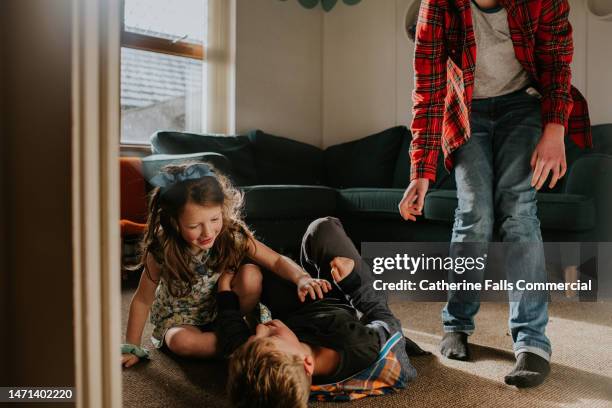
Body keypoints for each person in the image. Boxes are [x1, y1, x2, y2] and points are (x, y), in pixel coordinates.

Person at [398, 0, 591, 388]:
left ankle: (532, 343)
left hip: (524, 102)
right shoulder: (436, 6)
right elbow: (429, 89)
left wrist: (555, 128)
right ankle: (456, 325)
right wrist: (421, 171)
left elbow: (556, 59)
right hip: (465, 109)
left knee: (519, 209)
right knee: (474, 214)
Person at [121, 162, 329, 367]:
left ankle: (237, 337)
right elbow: (142, 300)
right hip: (182, 319)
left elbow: (275, 260)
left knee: (251, 275)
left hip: (227, 310)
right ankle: (243, 345)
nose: (208, 232)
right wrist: (132, 345)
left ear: (223, 210)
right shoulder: (162, 248)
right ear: (174, 222)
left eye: (214, 219)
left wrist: (302, 278)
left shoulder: (231, 233)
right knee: (182, 342)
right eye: (194, 225)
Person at [216, 217, 422, 408]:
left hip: (293, 310)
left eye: (254, 338)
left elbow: (232, 335)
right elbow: (382, 315)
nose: (260, 328)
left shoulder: (264, 365)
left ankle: (299, 267)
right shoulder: (357, 345)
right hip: (338, 296)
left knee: (249, 259)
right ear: (307, 364)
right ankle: (316, 267)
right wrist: (352, 282)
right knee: (324, 228)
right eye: (270, 337)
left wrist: (224, 290)